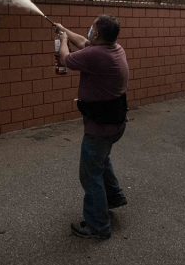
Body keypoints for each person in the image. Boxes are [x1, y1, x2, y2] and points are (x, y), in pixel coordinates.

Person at [54, 14, 129, 241]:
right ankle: (113, 198)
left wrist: (62, 41)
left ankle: (98, 226)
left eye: (92, 28)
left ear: (96, 33)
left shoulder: (96, 55)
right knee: (101, 161)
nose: (89, 31)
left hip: (100, 128)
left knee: (90, 174)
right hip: (114, 122)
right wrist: (64, 29)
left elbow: (65, 59)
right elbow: (83, 42)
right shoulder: (113, 48)